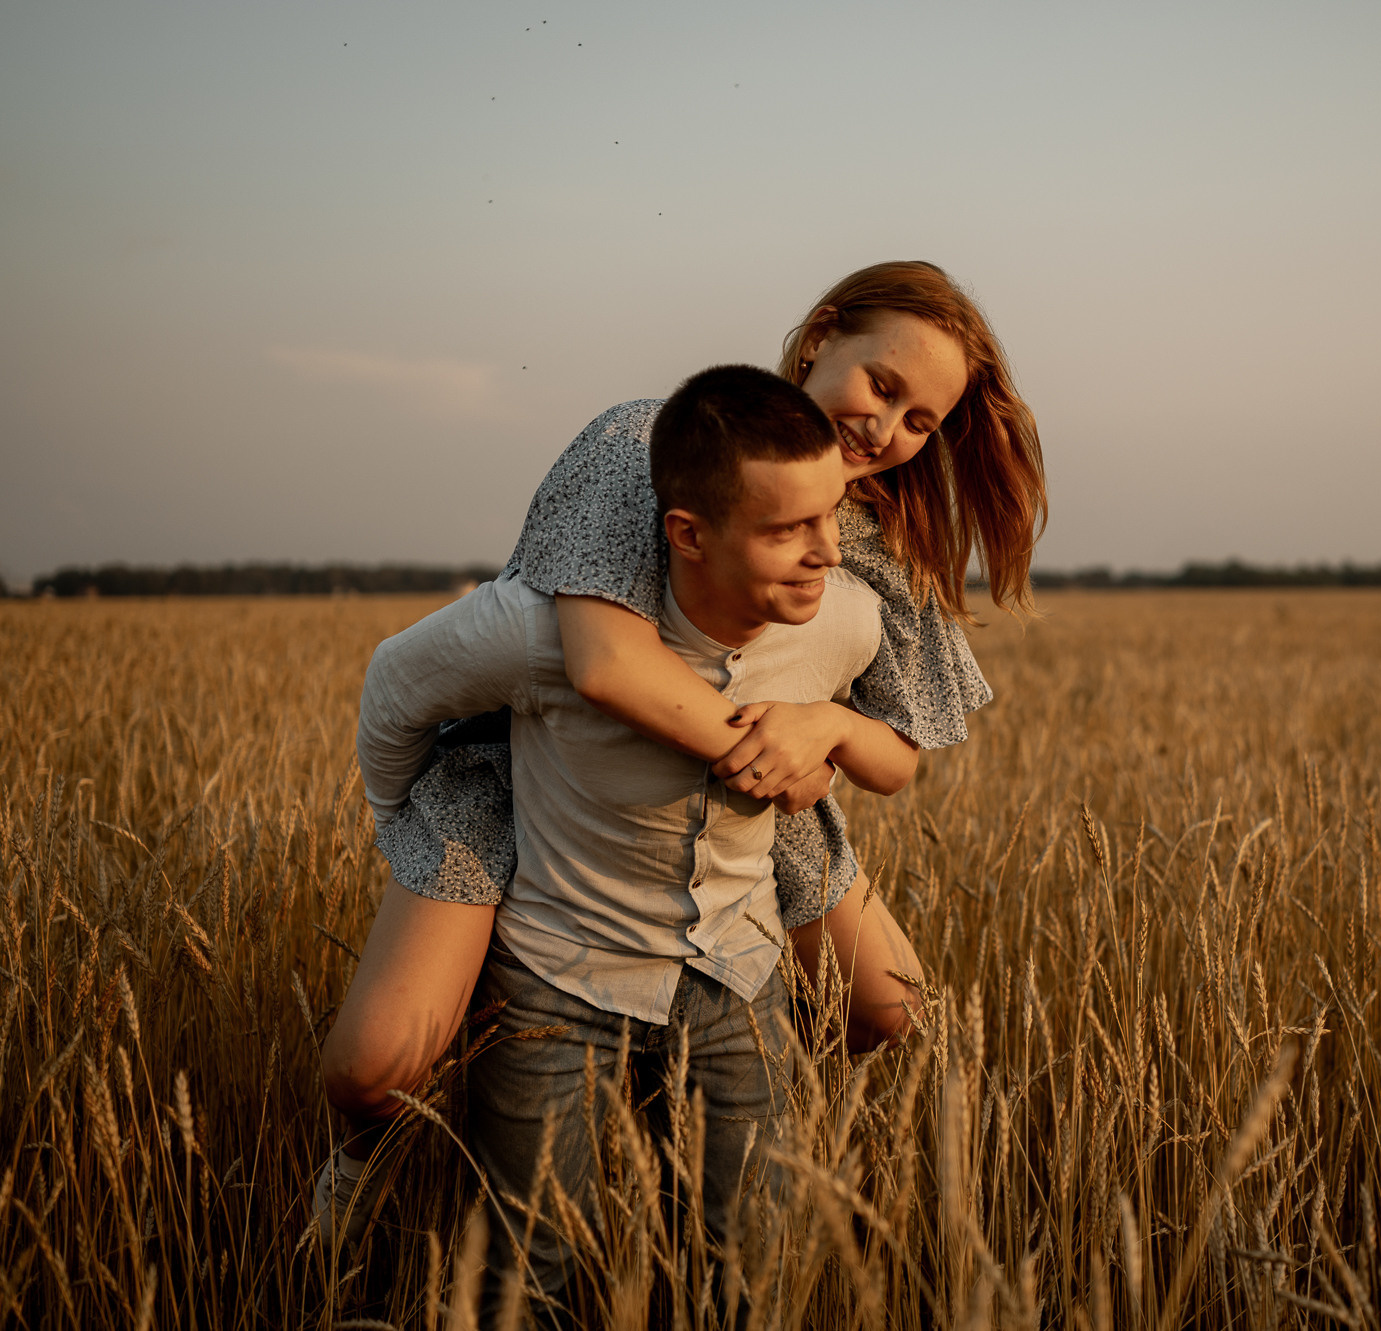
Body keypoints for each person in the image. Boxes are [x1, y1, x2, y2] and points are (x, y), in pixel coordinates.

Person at [315, 261, 1045, 1242]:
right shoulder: (640, 444)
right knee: (376, 1064)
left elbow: (898, 744)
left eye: (920, 421)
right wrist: (775, 757)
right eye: (881, 385)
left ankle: (711, 1081)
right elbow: (603, 660)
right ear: (822, 333)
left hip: (753, 800)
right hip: (538, 768)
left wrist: (822, 732)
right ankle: (382, 1143)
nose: (888, 428)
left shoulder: (874, 541)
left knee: (885, 1008)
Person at [353, 366, 919, 1320]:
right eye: (787, 530)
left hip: (740, 974)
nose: (827, 552)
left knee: (752, 1259)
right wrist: (415, 828)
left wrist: (828, 734)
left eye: (833, 517)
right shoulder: (542, 634)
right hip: (557, 977)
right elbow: (397, 686)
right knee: (533, 1265)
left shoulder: (847, 625)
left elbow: (891, 753)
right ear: (687, 534)